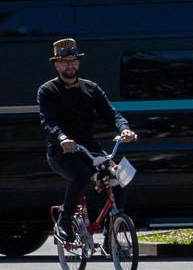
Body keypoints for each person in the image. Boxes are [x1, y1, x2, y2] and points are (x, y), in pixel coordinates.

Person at [37, 38, 137, 242]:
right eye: (65, 62)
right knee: (81, 176)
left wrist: (125, 129)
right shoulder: (47, 91)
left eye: (74, 61)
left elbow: (111, 113)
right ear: (56, 64)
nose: (70, 65)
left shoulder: (91, 88)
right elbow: (48, 123)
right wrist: (62, 138)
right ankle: (65, 220)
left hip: (89, 148)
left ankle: (113, 228)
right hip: (61, 151)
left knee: (118, 176)